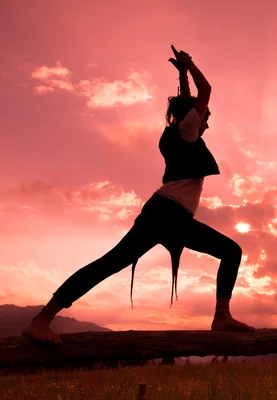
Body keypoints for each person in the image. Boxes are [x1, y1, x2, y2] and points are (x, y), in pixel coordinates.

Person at [22, 45, 255, 344]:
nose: (207, 120)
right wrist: (191, 64)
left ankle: (43, 318)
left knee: (108, 264)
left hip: (164, 213)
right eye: (204, 116)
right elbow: (205, 90)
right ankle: (221, 316)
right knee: (231, 252)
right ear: (194, 117)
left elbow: (187, 102)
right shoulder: (186, 131)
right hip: (170, 214)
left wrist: (182, 74)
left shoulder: (175, 133)